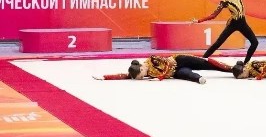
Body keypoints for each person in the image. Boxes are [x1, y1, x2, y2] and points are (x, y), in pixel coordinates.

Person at [192, 0, 262, 63]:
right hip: (233, 24)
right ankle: (201, 61)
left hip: (242, 23)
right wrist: (198, 20)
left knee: (255, 42)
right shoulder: (224, 2)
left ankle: (245, 63)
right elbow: (213, 15)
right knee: (218, 43)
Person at [93, 54, 232, 84]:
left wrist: (159, 77)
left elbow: (167, 65)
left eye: (141, 76)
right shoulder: (138, 72)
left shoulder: (152, 60)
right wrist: (105, 77)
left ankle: (233, 69)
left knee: (206, 64)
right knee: (187, 75)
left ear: (141, 68)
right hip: (176, 72)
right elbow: (123, 75)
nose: (143, 78)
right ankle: (199, 79)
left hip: (180, 60)